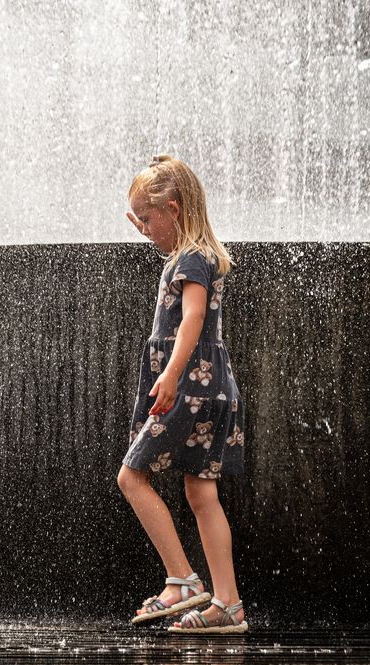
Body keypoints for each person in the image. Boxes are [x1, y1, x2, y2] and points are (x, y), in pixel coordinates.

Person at [117, 154, 248, 634]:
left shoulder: (190, 258)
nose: (145, 229)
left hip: (189, 386)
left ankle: (183, 581)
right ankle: (229, 604)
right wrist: (145, 222)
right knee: (201, 492)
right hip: (212, 388)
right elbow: (194, 309)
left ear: (173, 209)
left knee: (131, 478)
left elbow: (192, 319)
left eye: (149, 219)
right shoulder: (195, 253)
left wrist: (170, 375)